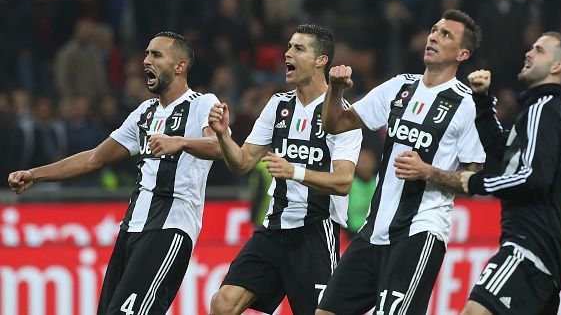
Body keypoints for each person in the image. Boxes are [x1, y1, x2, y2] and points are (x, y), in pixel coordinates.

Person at [8, 31, 223, 314]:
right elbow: (94, 159)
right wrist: (35, 174)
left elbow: (220, 146)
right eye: (146, 53)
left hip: (170, 227)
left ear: (180, 66)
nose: (146, 60)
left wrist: (180, 141)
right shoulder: (144, 113)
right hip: (132, 227)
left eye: (156, 55)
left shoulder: (202, 104)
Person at [316, 9, 485, 315]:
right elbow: (336, 123)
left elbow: (475, 179)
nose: (433, 36)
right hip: (373, 230)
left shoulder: (468, 105)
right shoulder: (400, 87)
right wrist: (335, 90)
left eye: (446, 34)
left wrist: (427, 172)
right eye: (434, 29)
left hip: (420, 232)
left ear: (463, 53)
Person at [208, 24, 362, 314]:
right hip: (273, 229)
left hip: (315, 231)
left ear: (321, 60)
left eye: (298, 48)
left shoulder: (343, 116)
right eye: (289, 46)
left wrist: (295, 172)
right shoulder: (278, 105)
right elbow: (242, 163)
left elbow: (343, 181)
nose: (287, 53)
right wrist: (223, 134)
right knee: (223, 304)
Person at [456, 32, 561, 314]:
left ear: (556, 67)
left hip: (530, 245)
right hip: (547, 253)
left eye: (539, 50)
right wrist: (482, 100)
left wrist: (478, 183)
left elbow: (532, 178)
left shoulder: (544, 109)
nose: (529, 53)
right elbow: (502, 150)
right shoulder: (546, 111)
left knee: (475, 312)